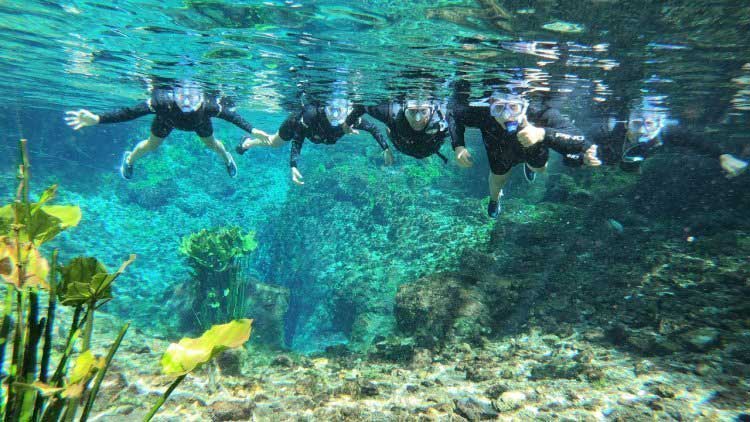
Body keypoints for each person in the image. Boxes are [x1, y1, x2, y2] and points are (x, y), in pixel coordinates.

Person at [449, 87, 600, 218]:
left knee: (540, 168)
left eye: (514, 107)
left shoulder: (539, 112)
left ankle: (529, 165)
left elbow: (579, 139)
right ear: (490, 106)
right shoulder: (482, 113)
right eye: (499, 108)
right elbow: (453, 115)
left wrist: (542, 133)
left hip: (534, 149)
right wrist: (458, 146)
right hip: (499, 149)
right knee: (498, 178)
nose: (506, 116)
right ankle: (494, 200)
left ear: (524, 105)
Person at [65, 82, 257, 179]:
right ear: (175, 95)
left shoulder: (208, 106)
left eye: (194, 98)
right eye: (183, 97)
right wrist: (98, 119)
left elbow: (232, 116)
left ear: (201, 97)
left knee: (212, 144)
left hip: (199, 124)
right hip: (166, 121)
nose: (188, 102)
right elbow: (130, 112)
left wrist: (252, 129)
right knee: (151, 145)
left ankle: (228, 159)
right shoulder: (162, 102)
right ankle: (129, 159)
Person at [564, 98, 748, 178]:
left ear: (660, 123)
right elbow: (568, 152)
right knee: (617, 160)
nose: (643, 130)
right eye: (637, 123)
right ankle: (629, 166)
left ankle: (631, 166)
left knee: (630, 165)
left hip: (632, 159)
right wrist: (582, 159)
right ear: (626, 122)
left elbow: (695, 141)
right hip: (609, 158)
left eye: (650, 124)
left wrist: (722, 155)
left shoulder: (666, 132)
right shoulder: (607, 130)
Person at [236, 98, 393, 185]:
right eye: (332, 109)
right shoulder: (311, 116)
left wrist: (385, 148)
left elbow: (372, 127)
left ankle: (248, 143)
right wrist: (293, 165)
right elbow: (298, 140)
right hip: (295, 124)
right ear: (325, 108)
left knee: (273, 143)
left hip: (317, 135)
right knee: (274, 143)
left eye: (341, 111)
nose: (336, 115)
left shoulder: (349, 121)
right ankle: (247, 143)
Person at [344, 98, 451, 162]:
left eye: (423, 112)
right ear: (404, 109)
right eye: (412, 112)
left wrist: (459, 146)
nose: (417, 119)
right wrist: (347, 124)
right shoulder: (390, 113)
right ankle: (390, 128)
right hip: (402, 146)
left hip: (429, 149)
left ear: (432, 111)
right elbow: (362, 106)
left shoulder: (442, 119)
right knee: (392, 124)